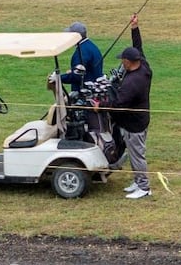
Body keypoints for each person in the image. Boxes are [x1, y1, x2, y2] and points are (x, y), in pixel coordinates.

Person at [94, 14, 152, 199]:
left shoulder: (132, 83)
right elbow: (139, 47)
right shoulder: (143, 66)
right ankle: (137, 181)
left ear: (128, 62)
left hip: (134, 124)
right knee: (135, 153)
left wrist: (99, 106)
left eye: (123, 60)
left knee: (137, 155)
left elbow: (118, 104)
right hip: (136, 121)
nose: (121, 62)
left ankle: (144, 187)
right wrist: (135, 28)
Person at [59, 22, 104, 93]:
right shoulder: (91, 46)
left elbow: (77, 76)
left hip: (85, 92)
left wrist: (59, 78)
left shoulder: (82, 51)